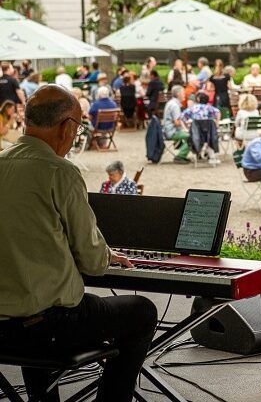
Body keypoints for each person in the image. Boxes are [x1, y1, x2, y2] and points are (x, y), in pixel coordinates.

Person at [0, 85, 157, 400]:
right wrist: (107, 254)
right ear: (67, 126)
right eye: (78, 127)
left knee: (39, 300)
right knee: (141, 311)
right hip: (48, 326)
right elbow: (92, 262)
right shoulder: (60, 172)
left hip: (3, 328)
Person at [162, 85, 190, 164]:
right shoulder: (175, 106)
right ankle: (181, 156)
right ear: (178, 94)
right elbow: (177, 123)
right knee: (193, 136)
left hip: (168, 130)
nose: (185, 95)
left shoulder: (171, 103)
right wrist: (187, 125)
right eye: (183, 93)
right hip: (172, 132)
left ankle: (182, 154)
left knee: (190, 134)